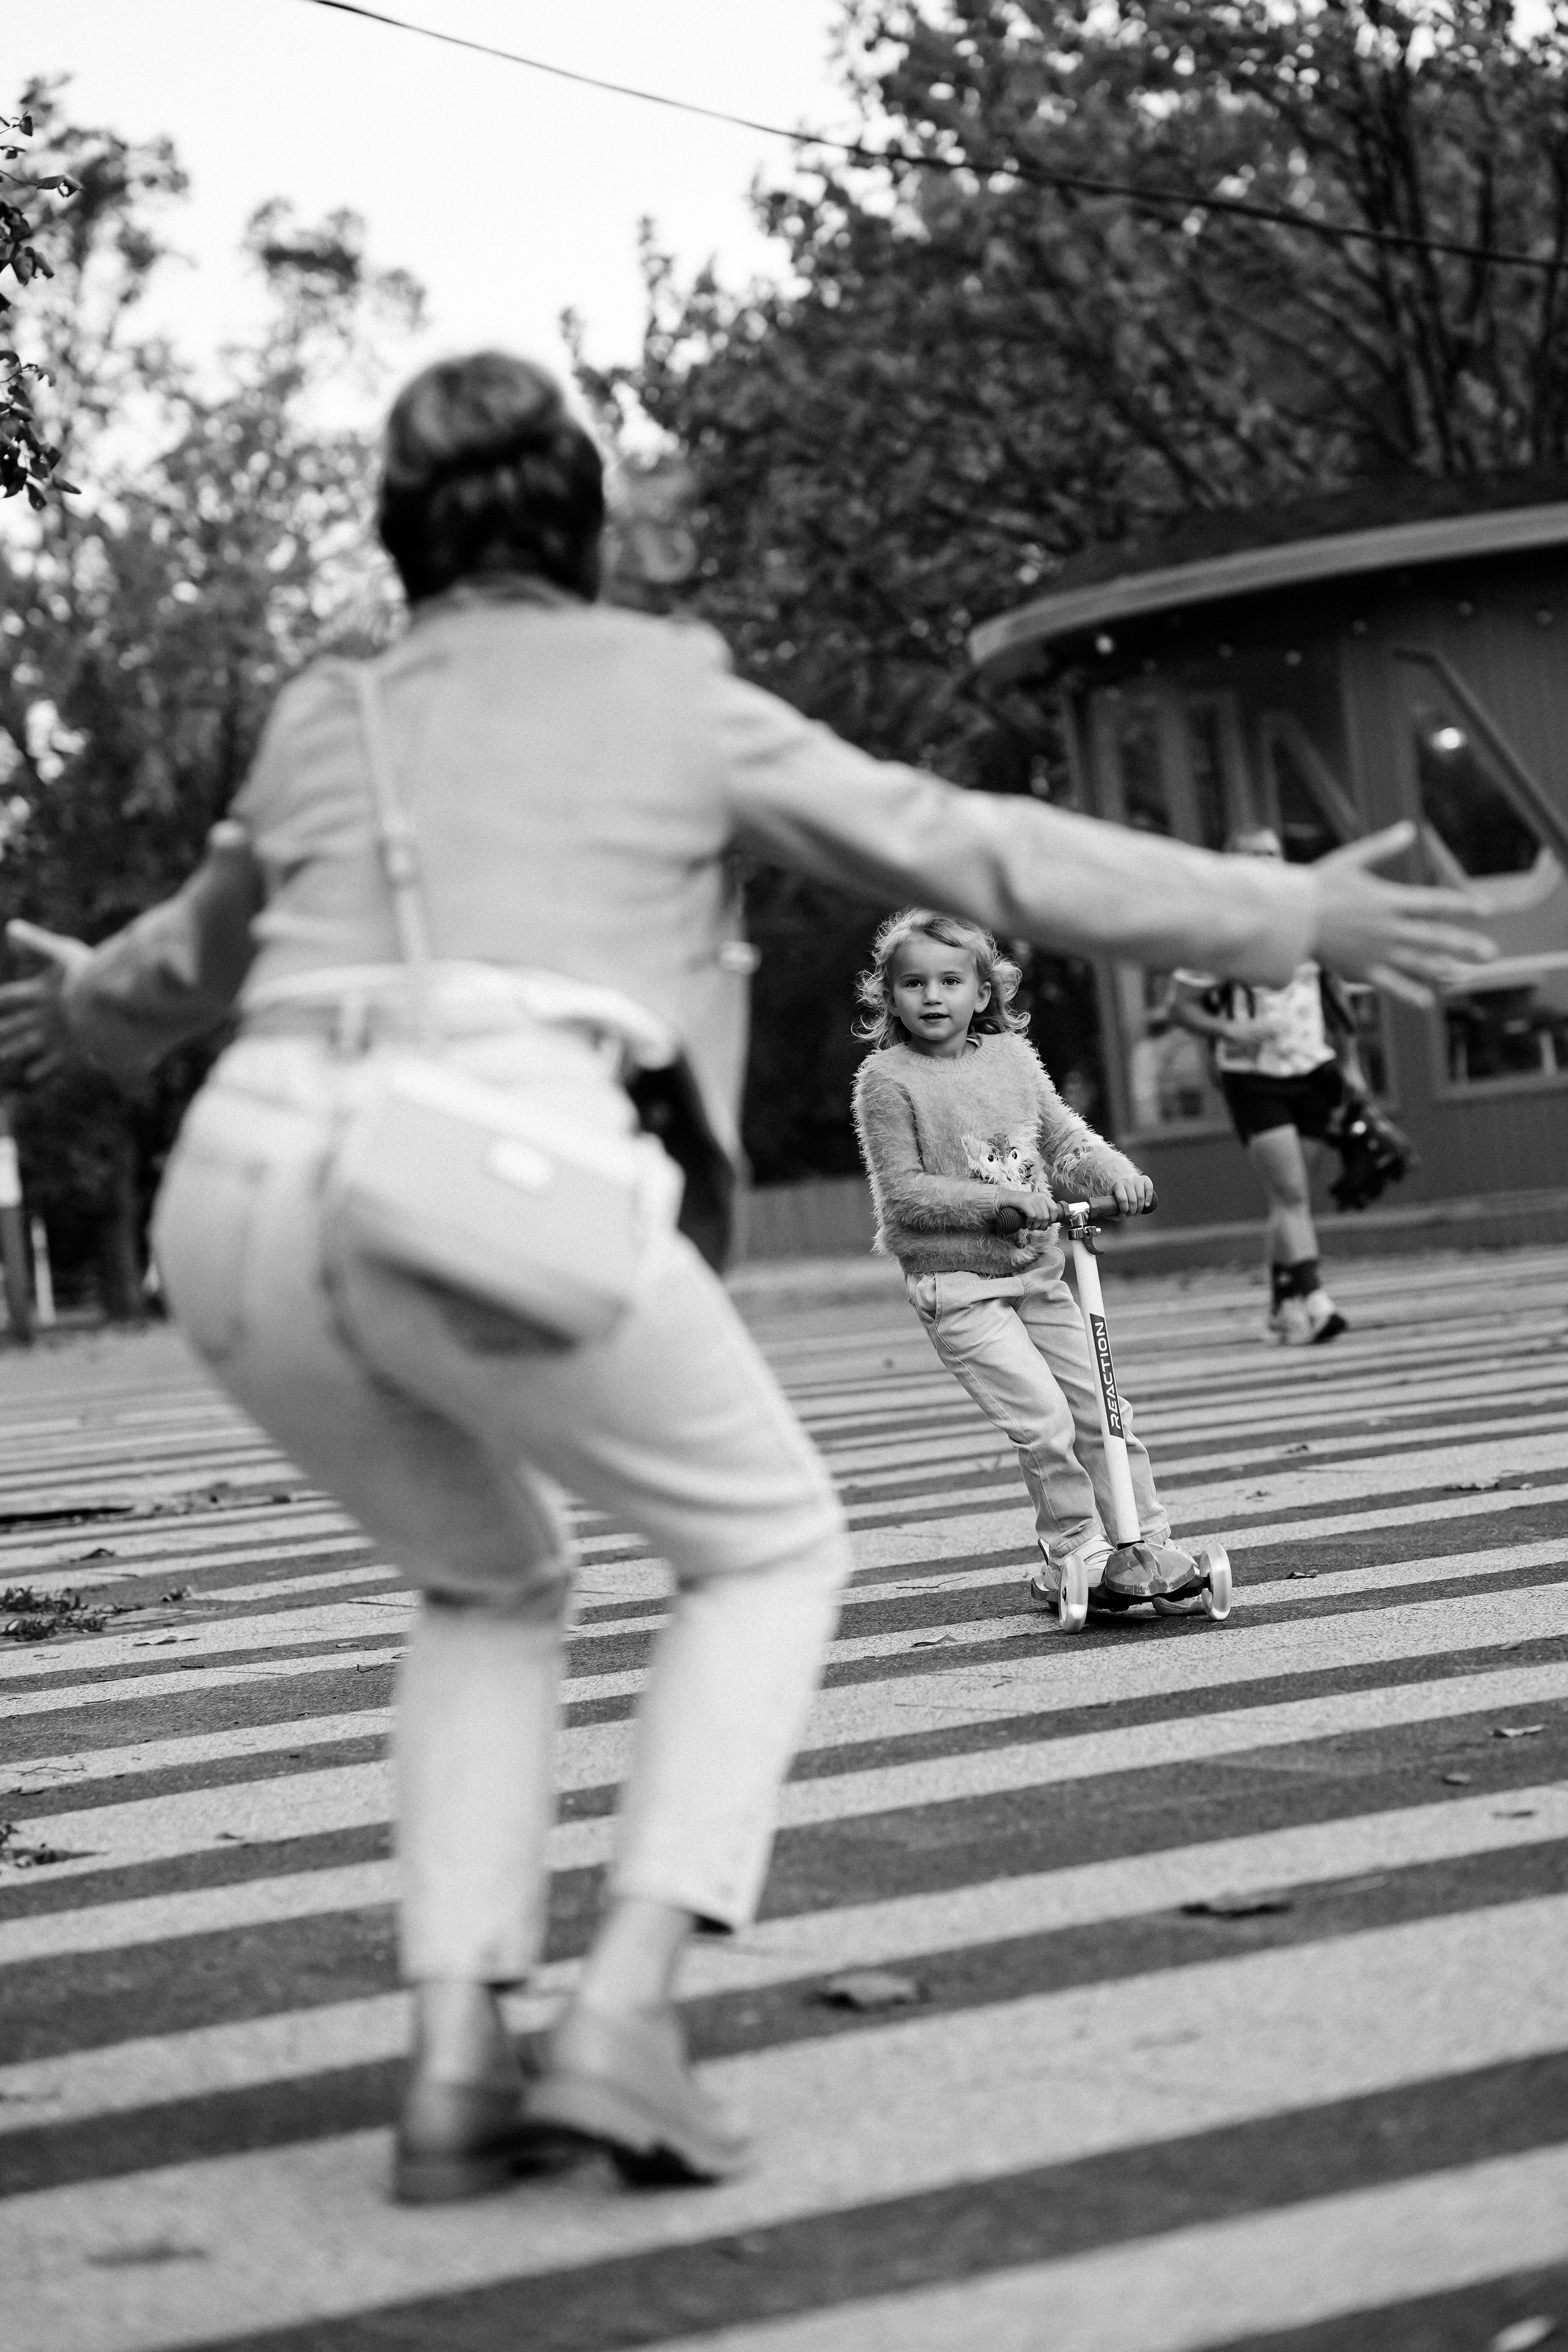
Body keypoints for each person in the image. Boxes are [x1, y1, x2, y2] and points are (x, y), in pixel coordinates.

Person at [0, 352, 1494, 2207]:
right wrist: (1286, 912)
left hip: (235, 1193)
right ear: (591, 531)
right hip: (489, 1148)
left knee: (486, 1584)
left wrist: (82, 1003)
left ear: (397, 543)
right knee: (769, 1544)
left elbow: (184, 959)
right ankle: (621, 2016)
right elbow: (970, 849)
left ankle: (461, 2063)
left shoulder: (331, 707)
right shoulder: (662, 688)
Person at [851, 908, 1202, 1610]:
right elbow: (905, 1194)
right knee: (1042, 1420)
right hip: (956, 1285)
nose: (932, 996)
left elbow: (1065, 1140)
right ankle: (1076, 1550)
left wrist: (1115, 1177)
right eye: (914, 984)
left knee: (1103, 1409)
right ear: (889, 998)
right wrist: (999, 1204)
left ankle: (1147, 1539)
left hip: (1038, 1275)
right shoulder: (886, 1080)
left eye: (951, 981)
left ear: (982, 993)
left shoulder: (1012, 1060)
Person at [1166, 824, 1371, 1344]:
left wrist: (1351, 1068)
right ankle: (1318, 1303)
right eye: (1251, 855)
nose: (1265, 863)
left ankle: (1282, 1309)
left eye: (1272, 854)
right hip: (1253, 1078)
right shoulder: (1218, 934)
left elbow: (1336, 1002)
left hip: (1314, 1072)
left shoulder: (1309, 922)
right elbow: (1180, 1007)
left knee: (1291, 1200)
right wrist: (1231, 1029)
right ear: (1231, 865)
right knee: (1291, 1193)